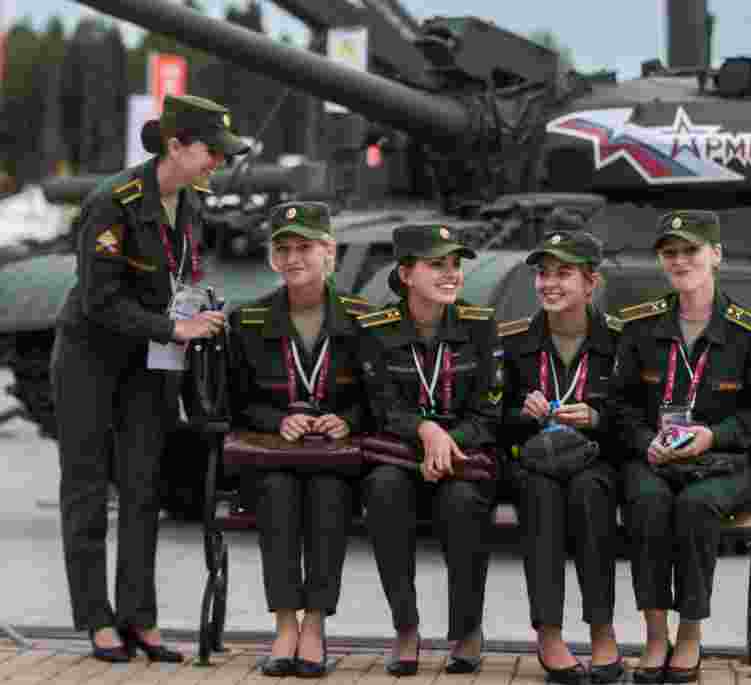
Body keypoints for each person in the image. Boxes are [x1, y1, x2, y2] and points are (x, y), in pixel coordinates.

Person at [51, 94, 249, 662]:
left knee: (144, 490)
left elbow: (181, 276)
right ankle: (96, 620)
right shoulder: (111, 203)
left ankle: (139, 617)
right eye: (212, 151)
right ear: (177, 145)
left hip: (149, 363)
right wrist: (174, 328)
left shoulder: (188, 204)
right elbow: (98, 302)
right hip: (92, 357)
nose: (218, 162)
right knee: (87, 491)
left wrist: (191, 320)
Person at [609, 210, 751, 684]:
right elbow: (618, 404)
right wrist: (647, 443)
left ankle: (689, 633)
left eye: (692, 251)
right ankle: (654, 634)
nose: (681, 261)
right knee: (646, 502)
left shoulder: (750, 333)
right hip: (654, 457)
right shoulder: (640, 327)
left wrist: (713, 435)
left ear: (716, 255)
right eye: (671, 253)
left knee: (696, 507)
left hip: (720, 462)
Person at [228, 201, 371, 678]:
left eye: (304, 247)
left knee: (330, 499)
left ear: (329, 252)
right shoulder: (247, 320)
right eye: (283, 249)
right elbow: (237, 401)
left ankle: (314, 625)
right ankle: (284, 624)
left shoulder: (363, 318)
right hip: (274, 457)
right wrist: (276, 420)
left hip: (338, 456)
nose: (293, 258)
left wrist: (346, 419)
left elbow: (382, 397)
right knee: (276, 497)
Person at [357, 224, 501, 677]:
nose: (450, 273)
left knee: (462, 502)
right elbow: (382, 408)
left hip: (464, 455)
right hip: (401, 454)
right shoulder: (377, 330)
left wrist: (447, 441)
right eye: (436, 264)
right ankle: (405, 628)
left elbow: (488, 414)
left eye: (455, 264)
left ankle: (467, 629)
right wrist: (426, 432)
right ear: (405, 273)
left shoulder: (479, 326)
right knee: (383, 489)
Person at [499, 230, 624, 684]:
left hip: (595, 460)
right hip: (535, 462)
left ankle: (601, 630)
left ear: (591, 282)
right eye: (543, 273)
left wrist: (596, 416)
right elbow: (495, 418)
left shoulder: (619, 343)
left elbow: (634, 416)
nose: (549, 283)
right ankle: (549, 634)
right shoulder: (515, 343)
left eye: (563, 273)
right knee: (539, 496)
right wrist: (522, 414)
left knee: (591, 494)